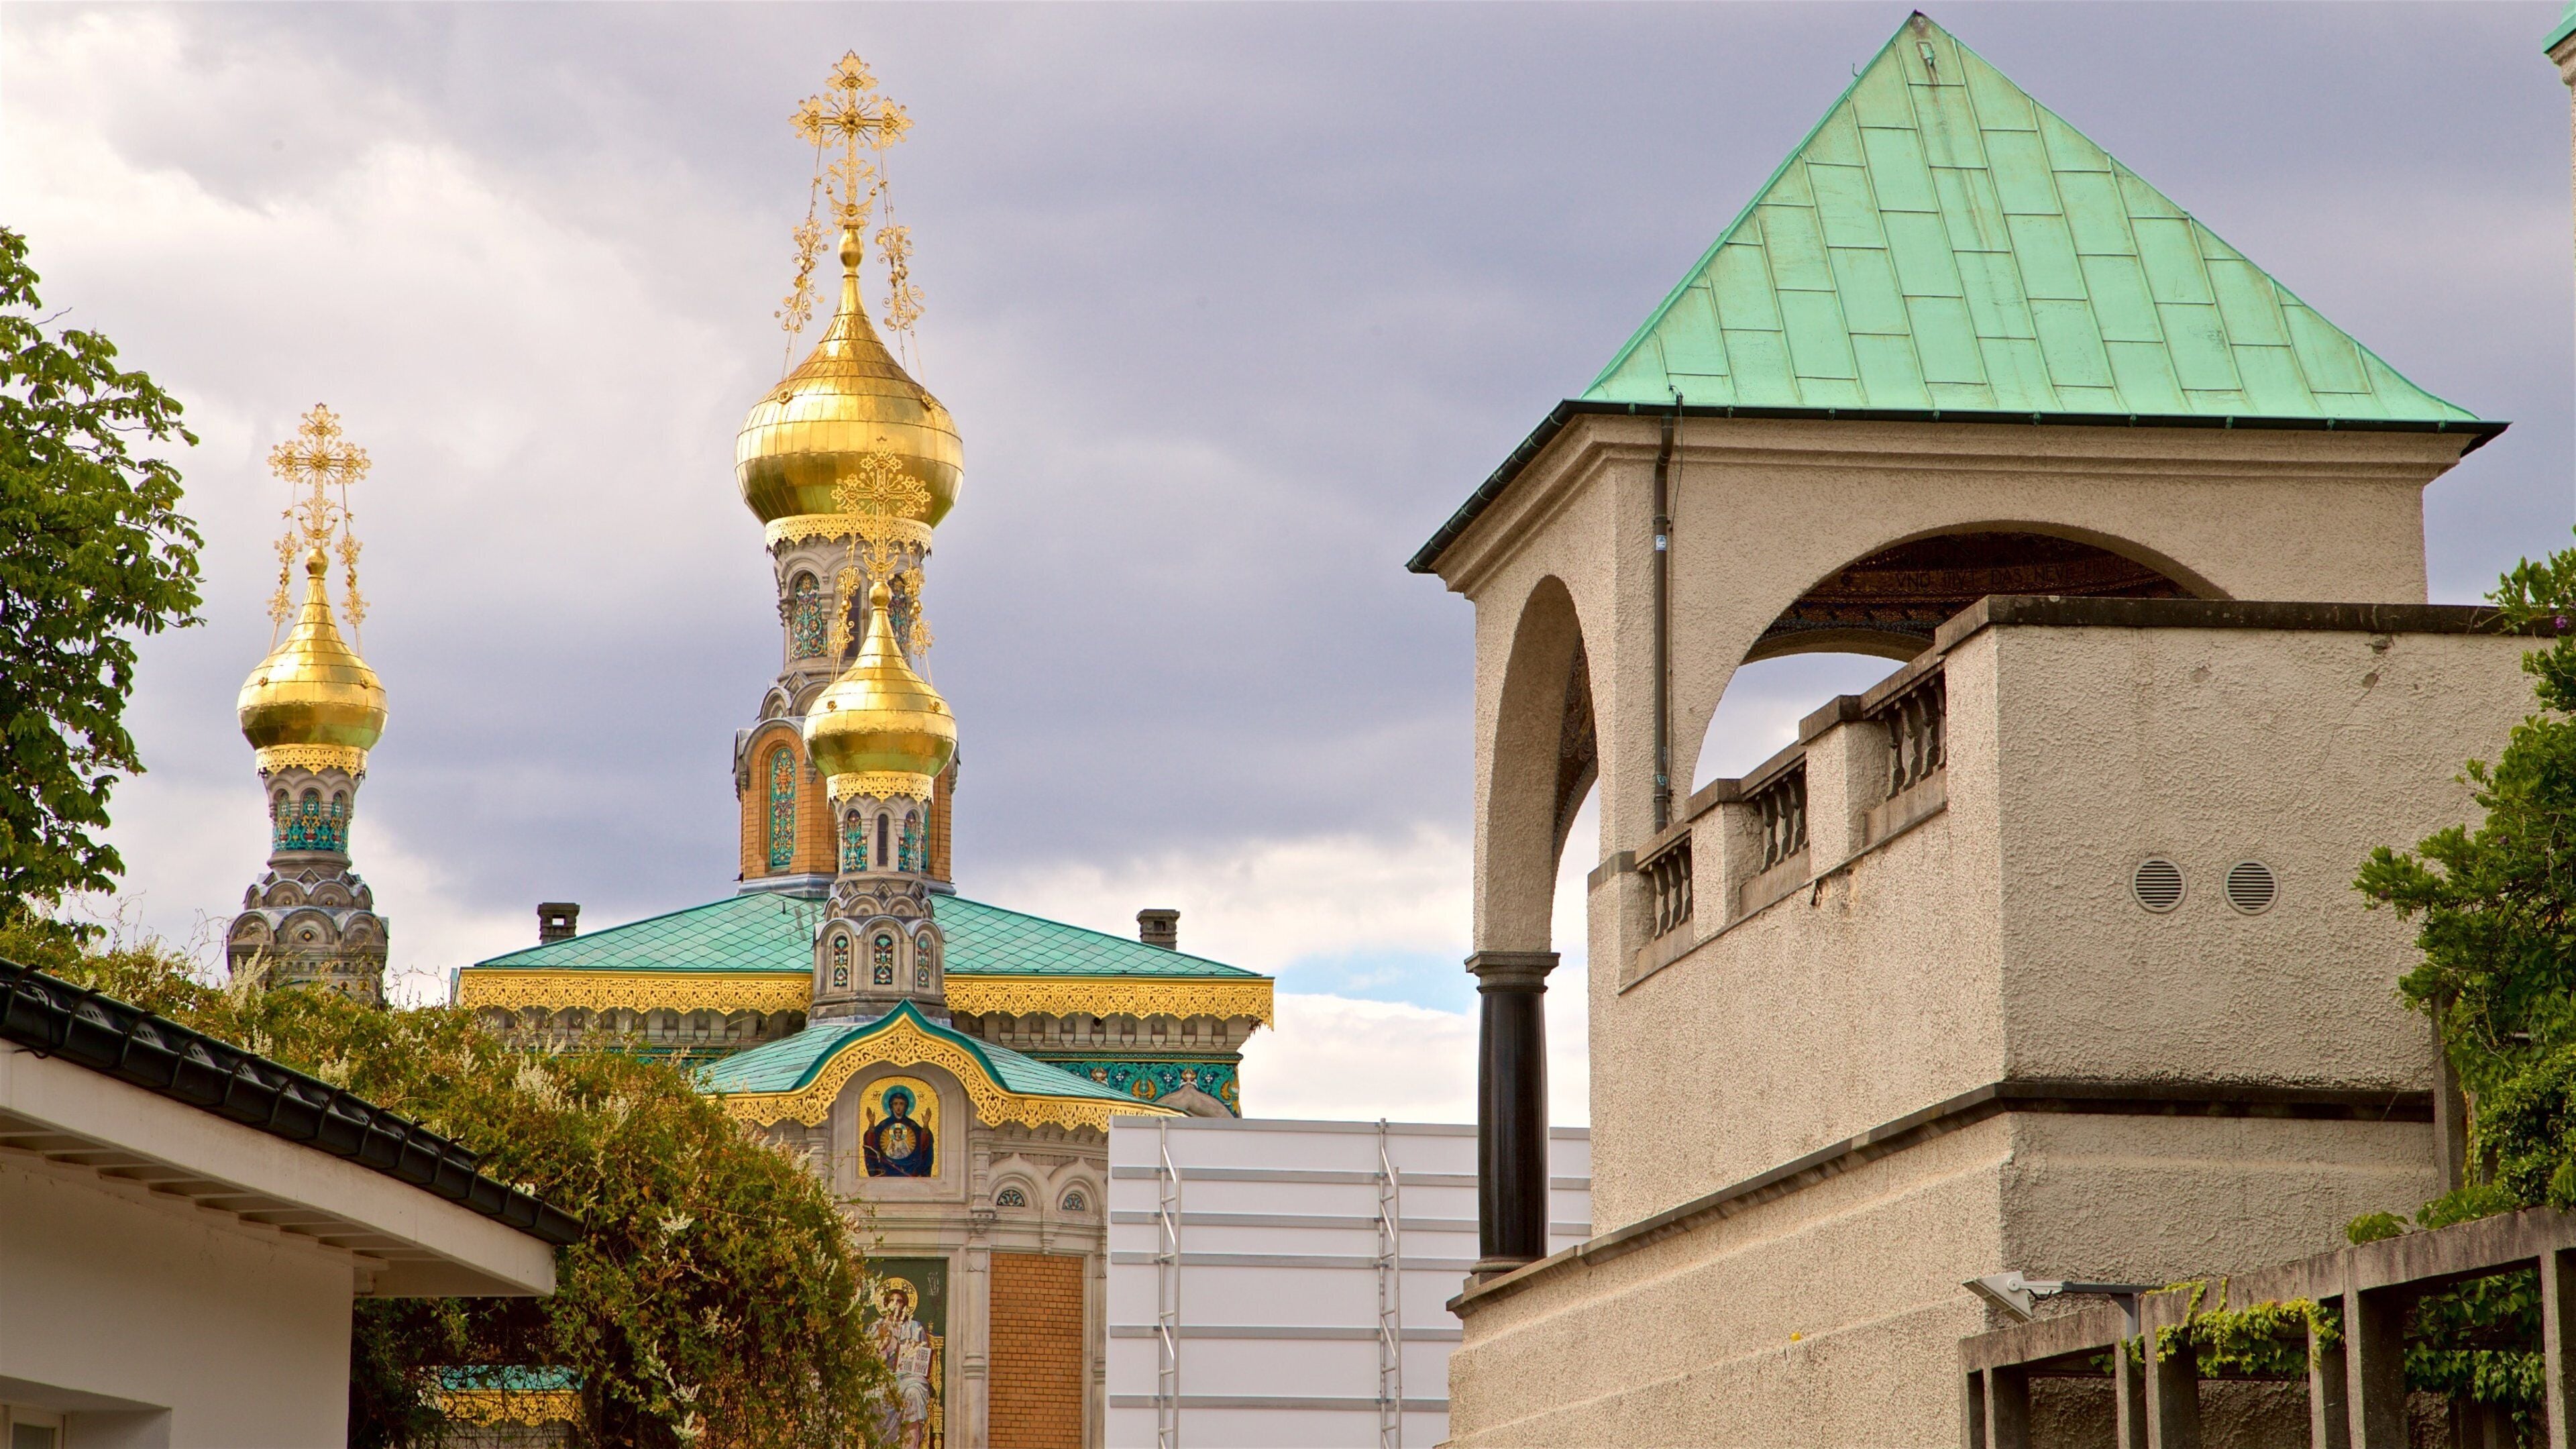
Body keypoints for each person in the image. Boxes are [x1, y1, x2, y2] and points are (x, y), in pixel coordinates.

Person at [865, 1084, 934, 1177]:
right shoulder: (884, 1124)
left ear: (906, 1106)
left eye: (901, 1104)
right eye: (896, 1104)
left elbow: (924, 1144)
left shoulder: (912, 1125)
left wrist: (926, 1124)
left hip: (910, 1167)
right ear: (891, 1106)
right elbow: (871, 1143)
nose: (898, 1107)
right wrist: (871, 1124)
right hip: (887, 1166)